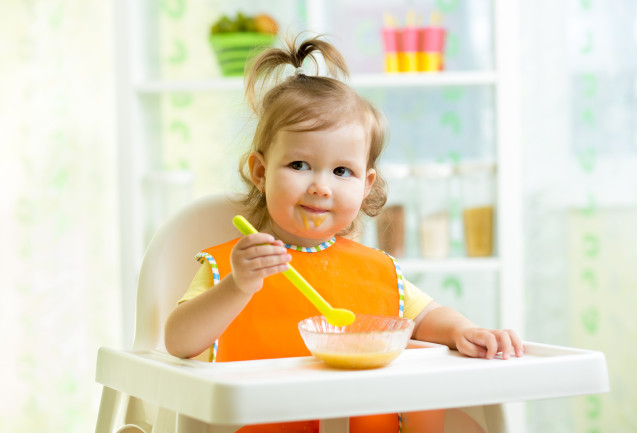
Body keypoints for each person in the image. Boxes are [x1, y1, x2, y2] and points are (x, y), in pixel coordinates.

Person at [164, 34, 524, 433]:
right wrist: (238, 285)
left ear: (366, 184)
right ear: (261, 171)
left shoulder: (377, 269)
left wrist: (464, 331)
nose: (321, 186)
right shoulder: (235, 265)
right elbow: (178, 341)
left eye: (341, 171)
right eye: (300, 165)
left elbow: (425, 315)